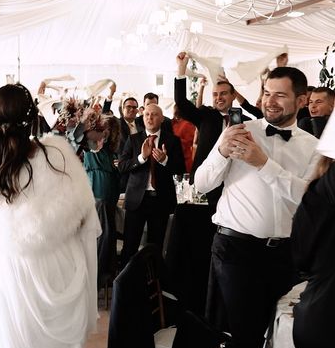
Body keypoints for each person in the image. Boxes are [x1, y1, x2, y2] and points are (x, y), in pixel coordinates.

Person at [0, 83, 100, 348]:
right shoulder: (58, 158)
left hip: (7, 273)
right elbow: (88, 223)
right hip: (56, 270)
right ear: (33, 116)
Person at [194, 66, 320, 348]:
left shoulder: (311, 146)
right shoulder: (239, 132)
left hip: (284, 254)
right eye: (266, 93)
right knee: (244, 336)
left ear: (302, 100)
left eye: (280, 94)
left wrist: (263, 164)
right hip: (236, 251)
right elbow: (201, 184)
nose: (270, 101)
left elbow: (306, 199)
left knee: (278, 335)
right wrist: (222, 152)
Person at [291, 157, 335, 348]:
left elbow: (301, 260)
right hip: (331, 322)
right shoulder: (329, 192)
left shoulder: (318, 193)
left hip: (320, 318)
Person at [174, 51, 247, 212]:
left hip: (235, 186)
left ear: (233, 95)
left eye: (223, 94)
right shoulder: (205, 115)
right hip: (205, 184)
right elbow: (181, 103)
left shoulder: (246, 122)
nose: (218, 98)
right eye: (215, 94)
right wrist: (181, 68)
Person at [118, 103, 185, 263]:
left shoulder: (173, 140)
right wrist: (141, 158)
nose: (150, 118)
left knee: (155, 247)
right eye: (147, 114)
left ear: (162, 118)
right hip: (136, 201)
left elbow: (181, 169)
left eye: (154, 114)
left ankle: (153, 284)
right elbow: (122, 166)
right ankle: (127, 284)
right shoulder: (133, 139)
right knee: (130, 245)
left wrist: (165, 160)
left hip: (160, 200)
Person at [83, 113, 121, 289]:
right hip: (100, 189)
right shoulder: (93, 142)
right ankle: (101, 274)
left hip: (104, 190)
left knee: (105, 233)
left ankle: (100, 275)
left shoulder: (106, 146)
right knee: (103, 233)